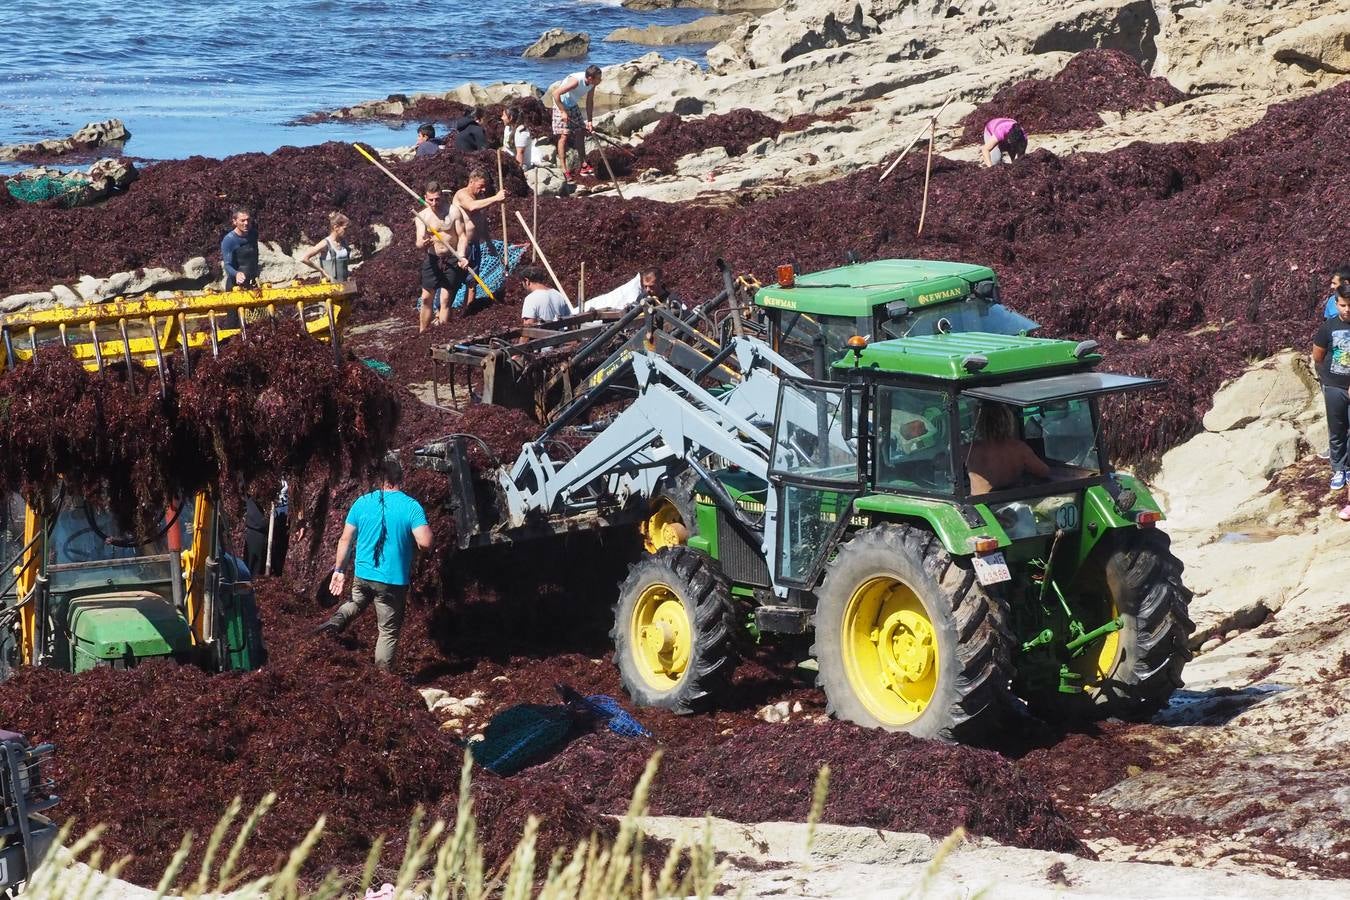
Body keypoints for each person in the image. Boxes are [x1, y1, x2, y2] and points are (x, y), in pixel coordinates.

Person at [317, 455, 432, 672]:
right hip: (392, 581)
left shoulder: (362, 502)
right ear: (401, 479)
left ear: (380, 480)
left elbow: (345, 539)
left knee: (356, 602)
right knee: (387, 630)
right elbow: (425, 542)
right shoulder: (411, 506)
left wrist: (339, 570)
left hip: (363, 575)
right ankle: (382, 676)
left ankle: (337, 621)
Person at [415, 180, 472, 332]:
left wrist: (461, 255)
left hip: (452, 258)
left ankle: (442, 334)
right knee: (426, 298)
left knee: (445, 299)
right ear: (425, 198)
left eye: (437, 199)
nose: (434, 203)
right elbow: (419, 242)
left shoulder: (453, 211)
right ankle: (422, 331)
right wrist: (424, 242)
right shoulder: (421, 216)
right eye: (431, 199)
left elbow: (462, 236)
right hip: (433, 259)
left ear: (442, 196)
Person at [1313, 283, 1350, 516]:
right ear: (1336, 304)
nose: (1347, 310)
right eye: (1343, 305)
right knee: (1336, 429)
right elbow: (1318, 356)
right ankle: (1338, 468)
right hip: (1334, 386)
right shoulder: (1328, 328)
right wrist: (1328, 380)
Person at [965, 402, 1049, 494]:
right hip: (1010, 501)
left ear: (978, 423)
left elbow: (949, 472)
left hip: (979, 505)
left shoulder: (970, 450)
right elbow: (1044, 472)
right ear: (1008, 421)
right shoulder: (1019, 448)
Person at [452, 166, 506, 306]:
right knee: (454, 282)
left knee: (472, 281)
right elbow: (471, 206)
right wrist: (496, 198)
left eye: (485, 187)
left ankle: (468, 310)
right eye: (481, 186)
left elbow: (481, 223)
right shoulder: (461, 194)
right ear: (471, 182)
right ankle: (441, 315)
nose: (483, 190)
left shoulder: (480, 198)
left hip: (475, 245)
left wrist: (489, 243)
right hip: (460, 246)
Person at [552, 64, 602, 180]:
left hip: (572, 105)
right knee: (564, 136)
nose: (600, 80)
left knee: (581, 132)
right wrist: (563, 111)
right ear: (590, 78)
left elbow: (589, 101)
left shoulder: (592, 84)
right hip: (560, 105)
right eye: (598, 78)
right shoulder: (575, 82)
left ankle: (583, 164)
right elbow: (555, 94)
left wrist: (589, 121)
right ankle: (565, 170)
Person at [299, 211, 352, 282]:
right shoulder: (325, 243)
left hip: (345, 286)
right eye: (345, 229)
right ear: (336, 227)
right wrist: (322, 271)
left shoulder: (343, 243)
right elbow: (304, 258)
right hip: (330, 288)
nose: (347, 231)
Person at [221, 207, 260, 289]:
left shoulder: (253, 234)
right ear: (235, 222)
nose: (246, 223)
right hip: (236, 285)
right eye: (242, 220)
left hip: (253, 283)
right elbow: (227, 265)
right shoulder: (229, 240)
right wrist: (237, 274)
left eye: (248, 220)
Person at [503, 105, 535, 170]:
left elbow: (520, 153)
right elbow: (505, 147)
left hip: (521, 163)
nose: (502, 118)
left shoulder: (521, 132)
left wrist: (518, 171)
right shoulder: (508, 128)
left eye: (504, 115)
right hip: (508, 160)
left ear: (511, 117)